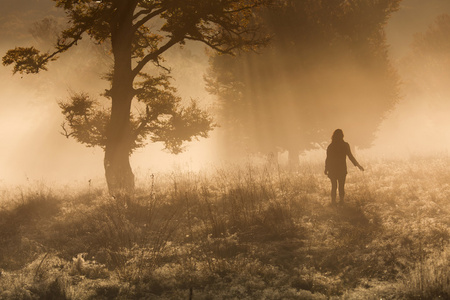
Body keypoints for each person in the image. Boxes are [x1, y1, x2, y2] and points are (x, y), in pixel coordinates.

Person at [324, 129, 364, 205]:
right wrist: (358, 165)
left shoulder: (331, 146)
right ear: (342, 136)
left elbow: (328, 159)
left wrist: (326, 168)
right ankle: (341, 201)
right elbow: (350, 156)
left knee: (334, 186)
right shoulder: (345, 145)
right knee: (341, 186)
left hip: (332, 169)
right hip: (342, 169)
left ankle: (333, 202)